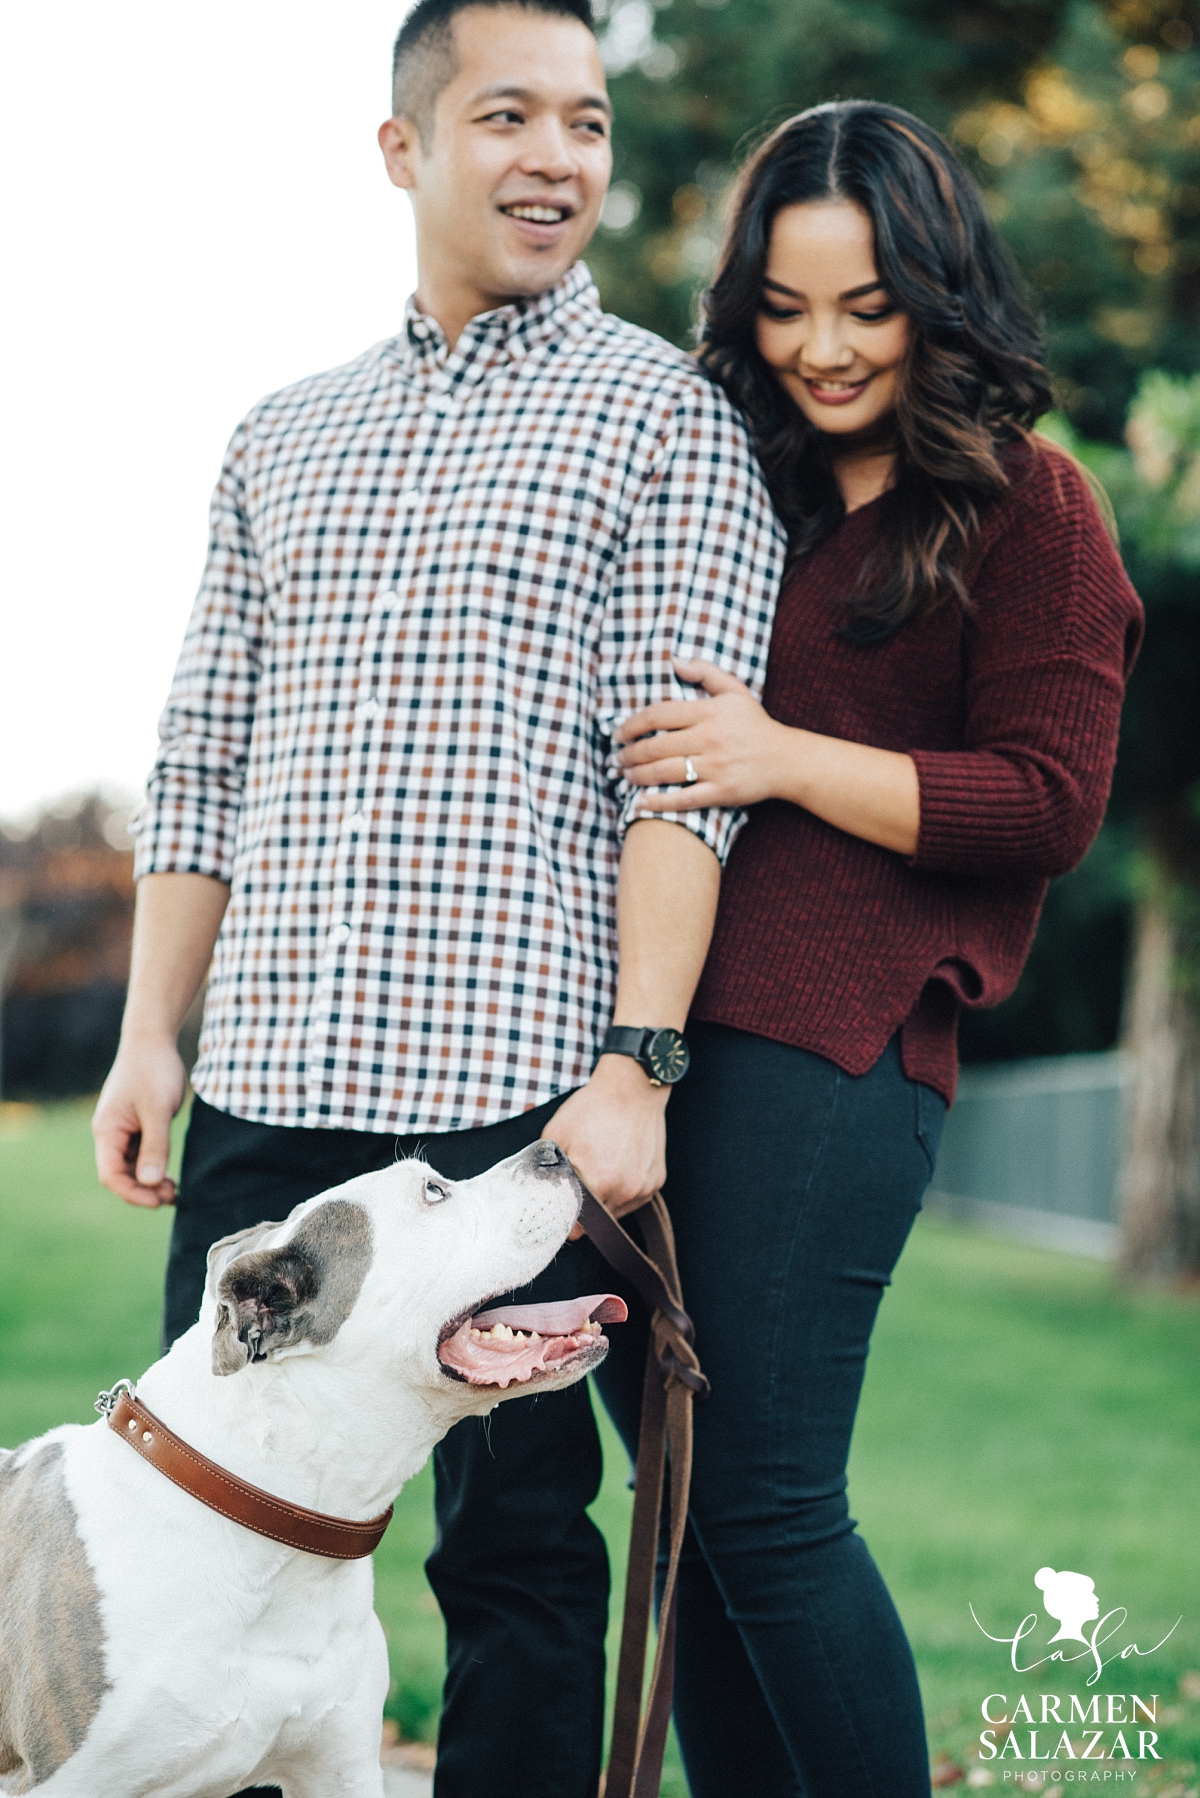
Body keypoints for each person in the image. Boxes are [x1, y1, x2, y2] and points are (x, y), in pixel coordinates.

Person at [89, 4, 782, 1797]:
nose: (559, 155)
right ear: (403, 149)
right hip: (269, 1071)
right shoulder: (278, 436)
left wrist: (637, 1060)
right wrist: (153, 1033)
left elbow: (682, 788)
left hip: (509, 1094)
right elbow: (205, 756)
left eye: (589, 120)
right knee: (206, 1529)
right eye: (508, 116)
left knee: (519, 1559)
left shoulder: (671, 421)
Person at [601, 101, 1144, 1797]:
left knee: (763, 1502)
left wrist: (782, 756)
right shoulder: (727, 476)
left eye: (865, 304)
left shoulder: (1027, 507)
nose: (821, 347)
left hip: (833, 1053)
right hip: (650, 1044)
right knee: (684, 1518)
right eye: (783, 304)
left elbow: (1049, 801)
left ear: (936, 295)